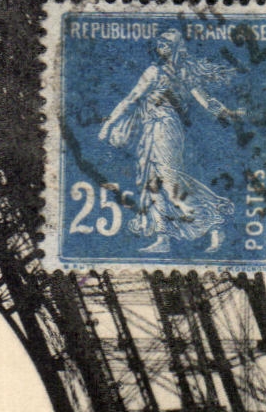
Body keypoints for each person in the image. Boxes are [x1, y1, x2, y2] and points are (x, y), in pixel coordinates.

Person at [99, 29, 241, 254]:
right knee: (151, 182)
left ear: (176, 47)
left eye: (167, 42)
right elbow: (131, 99)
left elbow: (205, 100)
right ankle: (162, 237)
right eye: (160, 41)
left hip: (167, 129)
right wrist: (109, 123)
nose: (161, 45)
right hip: (150, 129)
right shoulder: (153, 72)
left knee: (171, 184)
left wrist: (227, 113)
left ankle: (215, 223)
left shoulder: (184, 74)